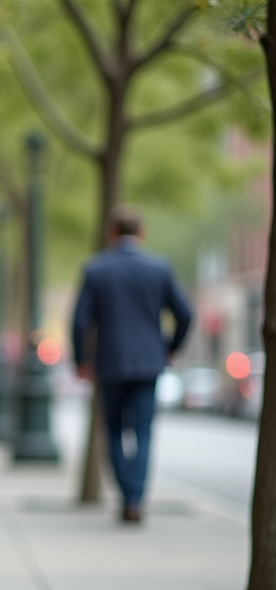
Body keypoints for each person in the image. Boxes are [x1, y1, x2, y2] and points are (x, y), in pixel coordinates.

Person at [72, 205, 193, 523]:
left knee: (113, 430)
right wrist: (170, 348)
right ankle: (135, 498)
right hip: (149, 362)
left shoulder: (96, 269)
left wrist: (81, 360)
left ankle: (127, 492)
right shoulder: (159, 268)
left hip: (110, 362)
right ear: (141, 233)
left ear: (111, 232)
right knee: (143, 431)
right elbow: (185, 314)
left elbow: (79, 321)